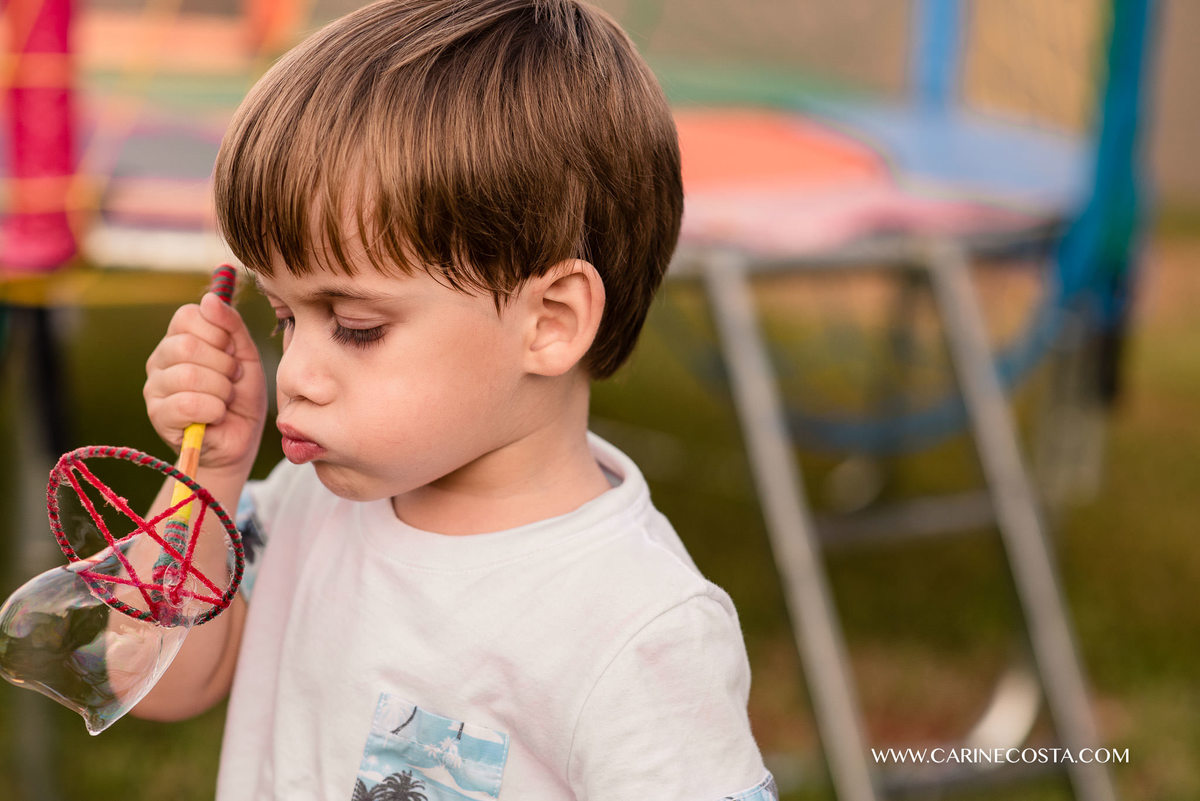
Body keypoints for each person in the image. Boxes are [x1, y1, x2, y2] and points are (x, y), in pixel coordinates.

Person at [138, 1, 777, 798]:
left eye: (358, 326)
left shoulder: (634, 626)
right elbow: (155, 681)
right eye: (284, 317)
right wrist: (215, 474)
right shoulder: (307, 507)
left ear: (549, 321)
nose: (297, 370)